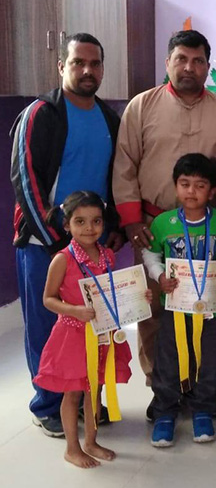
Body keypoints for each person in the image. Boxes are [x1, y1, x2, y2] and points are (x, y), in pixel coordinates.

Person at [112, 30, 216, 418]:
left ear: (208, 66)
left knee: (207, 311)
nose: (189, 67)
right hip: (154, 227)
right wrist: (131, 222)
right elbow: (125, 166)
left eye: (198, 61)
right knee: (156, 310)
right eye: (181, 59)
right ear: (168, 62)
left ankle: (203, 390)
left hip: (211, 231)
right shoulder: (142, 107)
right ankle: (163, 391)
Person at [10, 33, 122, 437]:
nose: (87, 70)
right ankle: (48, 405)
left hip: (92, 242)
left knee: (90, 325)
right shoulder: (42, 113)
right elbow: (25, 179)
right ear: (62, 66)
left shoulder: (110, 118)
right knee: (48, 326)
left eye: (95, 63)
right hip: (46, 244)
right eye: (78, 62)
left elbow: (114, 178)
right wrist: (57, 240)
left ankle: (84, 398)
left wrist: (113, 228)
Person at [34, 191, 137, 468]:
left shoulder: (107, 256)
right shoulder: (62, 259)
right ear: (67, 225)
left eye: (96, 221)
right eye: (80, 221)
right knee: (73, 393)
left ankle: (91, 441)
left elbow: (112, 292)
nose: (89, 228)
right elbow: (48, 299)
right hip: (73, 335)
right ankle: (72, 448)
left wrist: (136, 298)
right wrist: (74, 310)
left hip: (102, 333)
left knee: (96, 389)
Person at [142, 154, 216, 447]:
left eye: (200, 185)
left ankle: (203, 410)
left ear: (212, 190)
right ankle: (165, 412)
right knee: (168, 359)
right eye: (185, 184)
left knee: (211, 360)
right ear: (175, 186)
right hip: (175, 307)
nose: (191, 191)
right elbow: (150, 254)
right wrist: (159, 276)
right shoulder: (163, 223)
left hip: (213, 309)